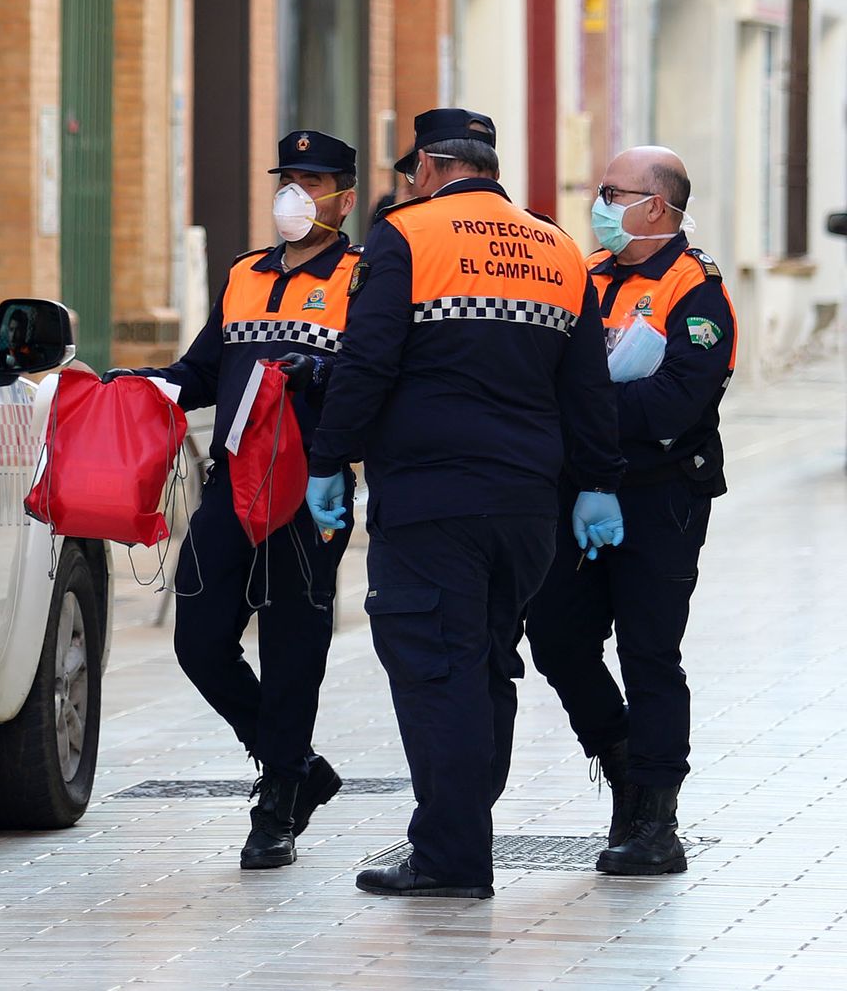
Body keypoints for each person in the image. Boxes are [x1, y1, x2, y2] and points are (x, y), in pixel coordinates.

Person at [304, 109, 628, 898]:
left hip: (432, 498)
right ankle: (459, 828)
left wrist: (327, 462)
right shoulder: (554, 245)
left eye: (411, 168)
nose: (408, 181)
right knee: (485, 665)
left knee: (434, 669)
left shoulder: (407, 234)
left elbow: (369, 358)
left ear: (433, 164)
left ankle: (452, 855)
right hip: (528, 506)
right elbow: (585, 382)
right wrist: (597, 480)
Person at [106, 129, 363, 870]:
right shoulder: (246, 273)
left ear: (344, 198)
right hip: (234, 481)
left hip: (310, 488)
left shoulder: (365, 278)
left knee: (292, 645)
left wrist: (320, 370)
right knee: (199, 638)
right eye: (289, 178)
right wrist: (147, 383)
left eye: (313, 182)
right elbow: (205, 370)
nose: (297, 194)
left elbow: (379, 378)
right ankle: (298, 764)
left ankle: (278, 797)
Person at [522, 147, 735, 876]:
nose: (599, 202)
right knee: (554, 637)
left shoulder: (694, 288)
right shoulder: (584, 274)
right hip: (576, 492)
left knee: (649, 652)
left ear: (654, 206)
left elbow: (678, 399)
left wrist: (584, 410)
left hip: (657, 496)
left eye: (612, 192)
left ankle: (655, 817)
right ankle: (619, 753)